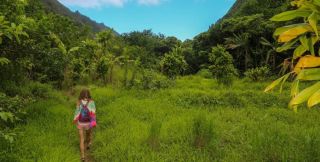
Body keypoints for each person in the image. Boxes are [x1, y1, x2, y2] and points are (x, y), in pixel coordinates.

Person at [73, 89, 96, 161]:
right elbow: (93, 113)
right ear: (88, 94)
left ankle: (83, 156)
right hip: (88, 123)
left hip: (80, 123)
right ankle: (89, 143)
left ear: (81, 94)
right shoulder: (91, 102)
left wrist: (75, 120)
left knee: (81, 140)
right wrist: (93, 123)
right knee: (88, 136)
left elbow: (77, 112)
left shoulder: (78, 102)